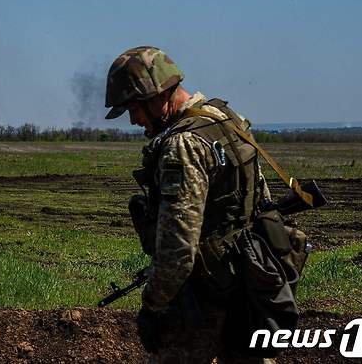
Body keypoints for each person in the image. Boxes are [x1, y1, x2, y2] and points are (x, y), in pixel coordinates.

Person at [105, 46, 276, 364]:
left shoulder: (183, 145)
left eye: (134, 108)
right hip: (251, 278)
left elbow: (178, 248)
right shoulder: (225, 119)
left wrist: (153, 306)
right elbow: (259, 195)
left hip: (207, 292)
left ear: (157, 95)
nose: (133, 120)